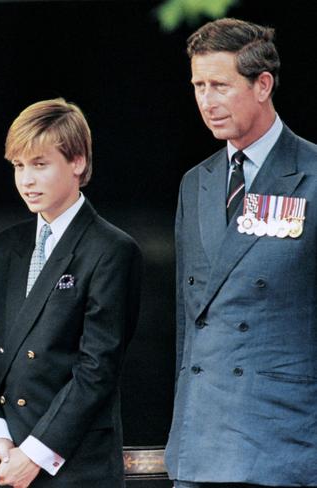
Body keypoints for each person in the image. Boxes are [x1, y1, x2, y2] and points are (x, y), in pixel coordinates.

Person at [165, 18, 317, 488]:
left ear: (262, 84)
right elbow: (189, 321)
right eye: (198, 86)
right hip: (199, 440)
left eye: (220, 86)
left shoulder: (312, 172)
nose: (207, 102)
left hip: (285, 439)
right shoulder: (197, 182)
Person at [0, 98, 143, 487]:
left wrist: (35, 453)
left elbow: (97, 369)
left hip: (73, 465)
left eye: (40, 164)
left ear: (77, 162)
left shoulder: (112, 250)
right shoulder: (4, 247)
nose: (26, 180)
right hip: (3, 459)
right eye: (18, 166)